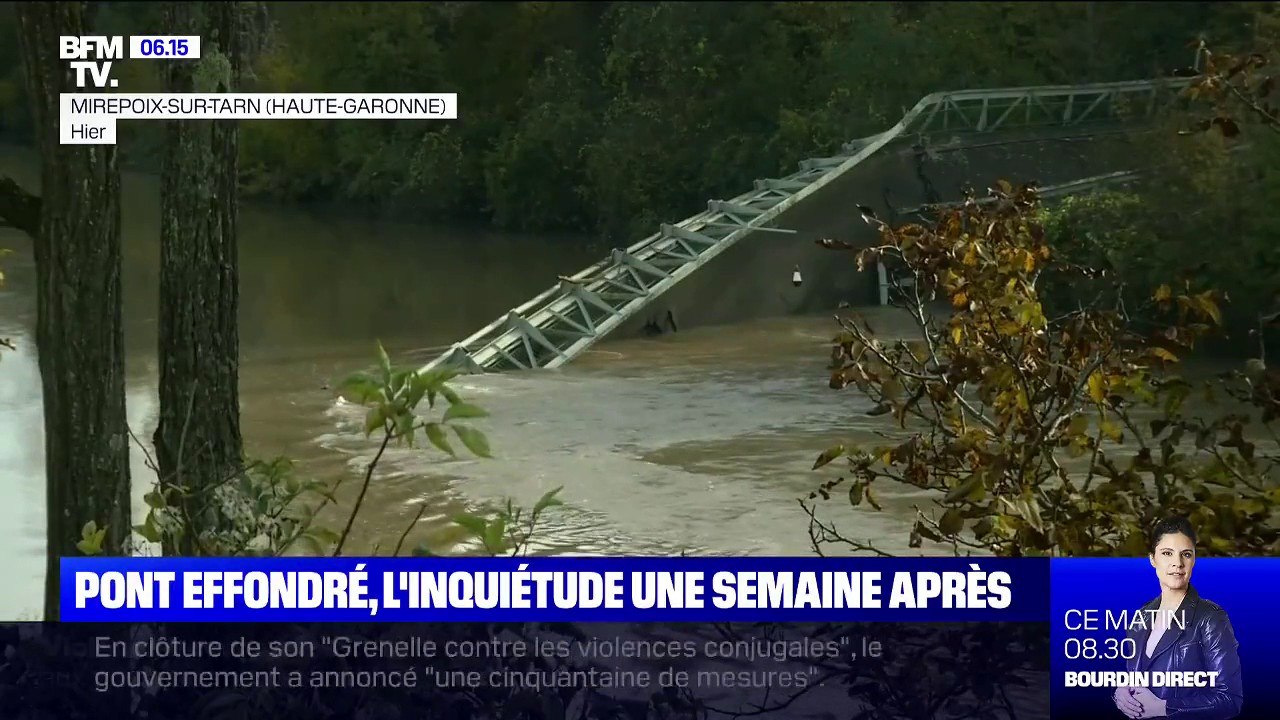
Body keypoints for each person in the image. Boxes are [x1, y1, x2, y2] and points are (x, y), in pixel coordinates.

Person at [1113, 517, 1243, 719]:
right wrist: (1121, 693)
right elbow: (1134, 679)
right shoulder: (1141, 615)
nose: (1177, 563)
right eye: (1167, 553)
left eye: (1186, 554)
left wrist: (1163, 707)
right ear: (1152, 559)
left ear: (1194, 560)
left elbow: (1229, 700)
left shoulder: (1211, 618)